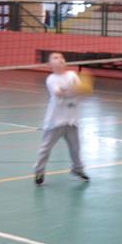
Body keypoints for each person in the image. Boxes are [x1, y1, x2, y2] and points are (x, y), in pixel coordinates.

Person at [34, 52, 89, 186]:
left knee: (75, 149)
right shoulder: (51, 79)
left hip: (71, 121)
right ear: (50, 65)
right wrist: (74, 90)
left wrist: (78, 90)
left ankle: (77, 170)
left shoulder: (72, 75)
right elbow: (58, 93)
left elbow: (81, 90)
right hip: (55, 122)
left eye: (61, 57)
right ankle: (39, 171)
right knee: (45, 149)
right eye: (55, 58)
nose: (60, 60)